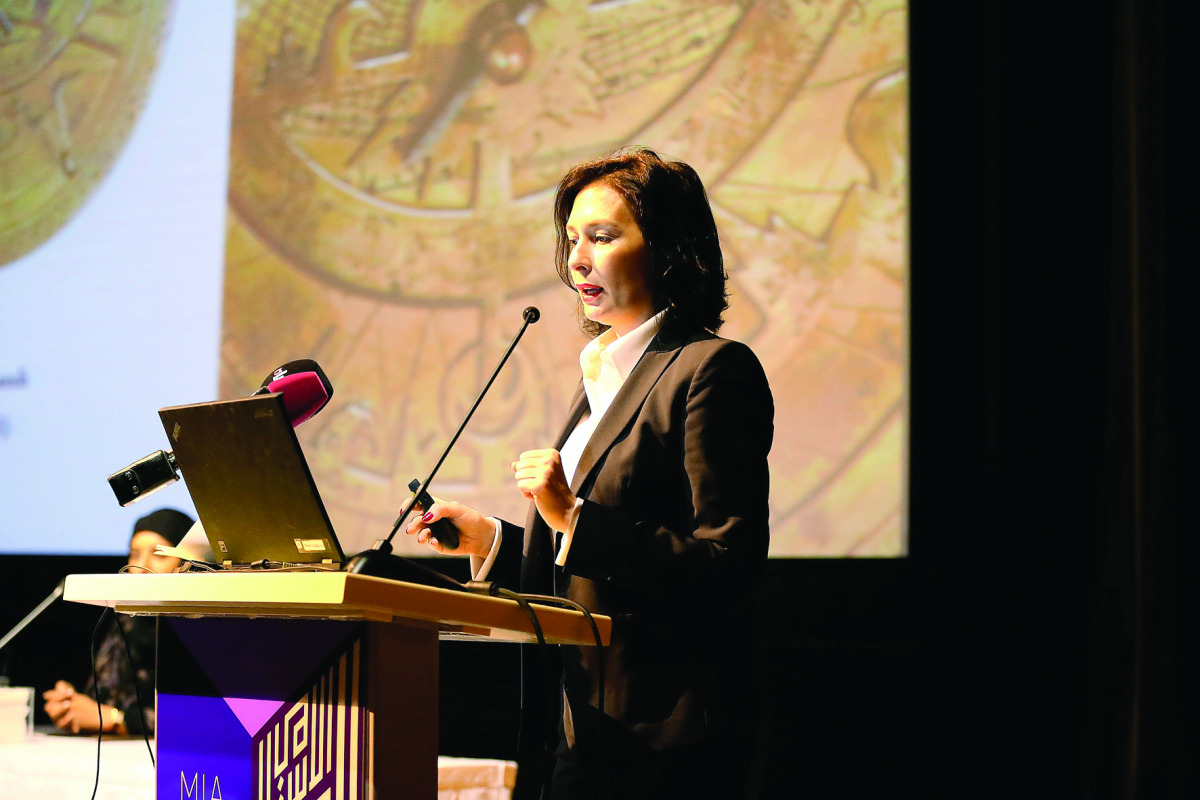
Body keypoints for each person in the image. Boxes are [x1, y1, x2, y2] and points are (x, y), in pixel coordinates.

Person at [407, 148, 774, 799]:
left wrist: (572, 517)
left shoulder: (710, 370)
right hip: (579, 726)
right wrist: (489, 540)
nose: (576, 259)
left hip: (664, 738)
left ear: (667, 248)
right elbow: (589, 566)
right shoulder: (602, 377)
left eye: (602, 237)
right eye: (572, 238)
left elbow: (729, 562)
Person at [42, 508, 194, 735]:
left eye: (159, 554)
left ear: (189, 563)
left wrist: (114, 719)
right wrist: (70, 705)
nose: (141, 568)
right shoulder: (126, 621)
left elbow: (197, 719)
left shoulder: (203, 630)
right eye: (134, 554)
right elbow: (100, 701)